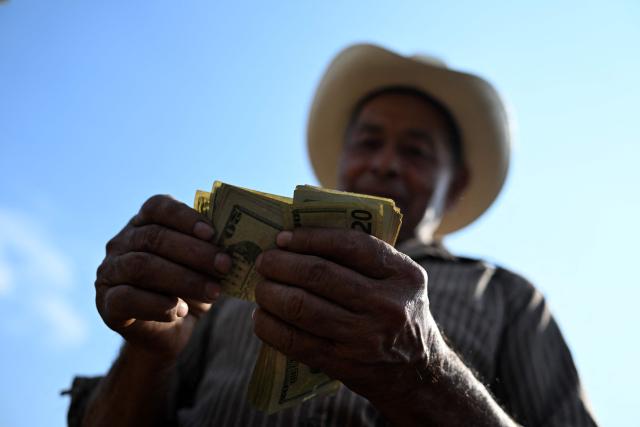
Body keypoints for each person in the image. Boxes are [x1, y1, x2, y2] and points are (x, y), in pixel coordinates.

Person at [66, 44, 597, 426]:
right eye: (369, 142)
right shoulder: (220, 286)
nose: (385, 163)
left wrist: (426, 373)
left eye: (414, 151)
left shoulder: (508, 298)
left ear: (454, 186)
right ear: (340, 162)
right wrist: (148, 353)